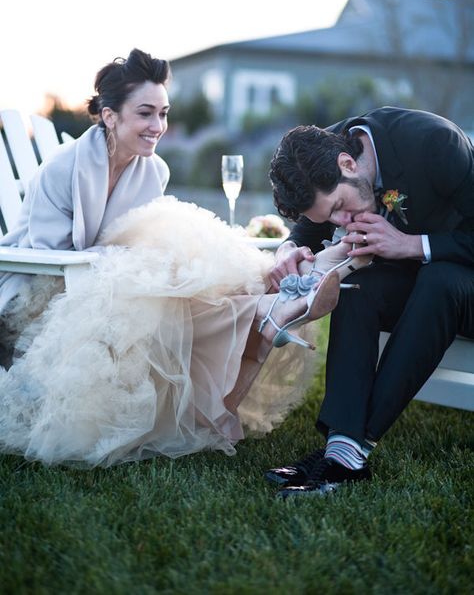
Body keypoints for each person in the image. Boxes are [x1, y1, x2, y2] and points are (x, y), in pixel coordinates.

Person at [0, 48, 340, 467]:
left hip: (115, 286)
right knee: (169, 286)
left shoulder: (153, 170)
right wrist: (134, 264)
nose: (158, 126)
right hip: (41, 291)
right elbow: (49, 256)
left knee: (186, 277)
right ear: (110, 116)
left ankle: (265, 305)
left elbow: (140, 239)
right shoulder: (62, 167)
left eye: (163, 113)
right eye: (146, 113)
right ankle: (268, 308)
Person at [266, 106, 474, 498]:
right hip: (423, 286)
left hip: (461, 282)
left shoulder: (435, 142)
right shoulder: (321, 150)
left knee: (439, 277)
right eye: (335, 216)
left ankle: (348, 453)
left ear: (348, 163)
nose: (342, 221)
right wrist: (288, 249)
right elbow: (310, 224)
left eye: (341, 207)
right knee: (356, 287)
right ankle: (341, 448)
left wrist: (411, 245)